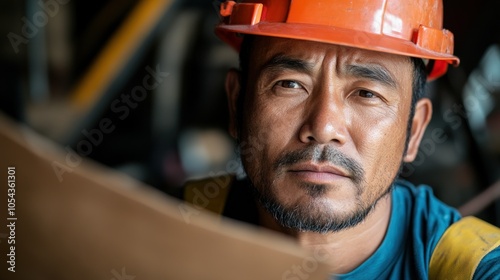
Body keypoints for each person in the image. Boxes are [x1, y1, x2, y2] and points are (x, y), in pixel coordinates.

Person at [181, 0, 500, 279]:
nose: (323, 127)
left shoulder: (477, 266)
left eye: (366, 93)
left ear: (414, 130)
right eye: (290, 84)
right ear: (237, 104)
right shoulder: (167, 224)